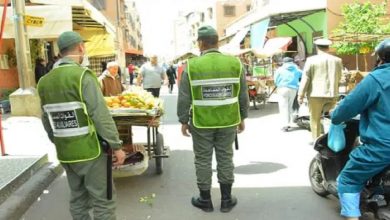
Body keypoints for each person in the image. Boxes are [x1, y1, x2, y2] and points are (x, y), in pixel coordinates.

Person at [37, 31, 126, 220]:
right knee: (104, 201)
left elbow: (46, 119)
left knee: (78, 199)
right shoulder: (82, 76)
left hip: (66, 153)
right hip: (90, 152)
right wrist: (116, 146)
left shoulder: (44, 82)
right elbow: (100, 115)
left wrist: (59, 141)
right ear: (80, 48)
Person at [177, 25, 249, 213]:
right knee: (225, 157)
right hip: (228, 120)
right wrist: (242, 117)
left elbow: (184, 96)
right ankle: (226, 200)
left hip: (202, 122)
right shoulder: (234, 63)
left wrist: (183, 120)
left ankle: (205, 200)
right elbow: (243, 94)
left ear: (201, 43)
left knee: (203, 160)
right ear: (217, 42)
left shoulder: (191, 66)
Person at [331, 39, 390, 220]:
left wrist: (335, 114)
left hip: (382, 147)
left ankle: (352, 216)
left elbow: (345, 109)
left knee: (348, 179)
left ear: (380, 58)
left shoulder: (376, 79)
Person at [297, 38, 343, 141]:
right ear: (328, 48)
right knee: (331, 118)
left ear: (317, 47)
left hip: (315, 95)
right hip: (332, 94)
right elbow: (340, 77)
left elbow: (306, 78)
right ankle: (330, 139)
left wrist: (301, 95)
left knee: (315, 119)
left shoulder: (311, 60)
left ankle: (316, 140)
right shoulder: (337, 60)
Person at [274, 57, 302, 132]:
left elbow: (275, 80)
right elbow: (302, 76)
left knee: (283, 107)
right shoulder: (297, 69)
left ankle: (285, 125)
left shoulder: (279, 70)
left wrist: (279, 84)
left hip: (282, 89)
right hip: (293, 89)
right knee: (289, 106)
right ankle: (289, 123)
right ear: (292, 62)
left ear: (284, 62)